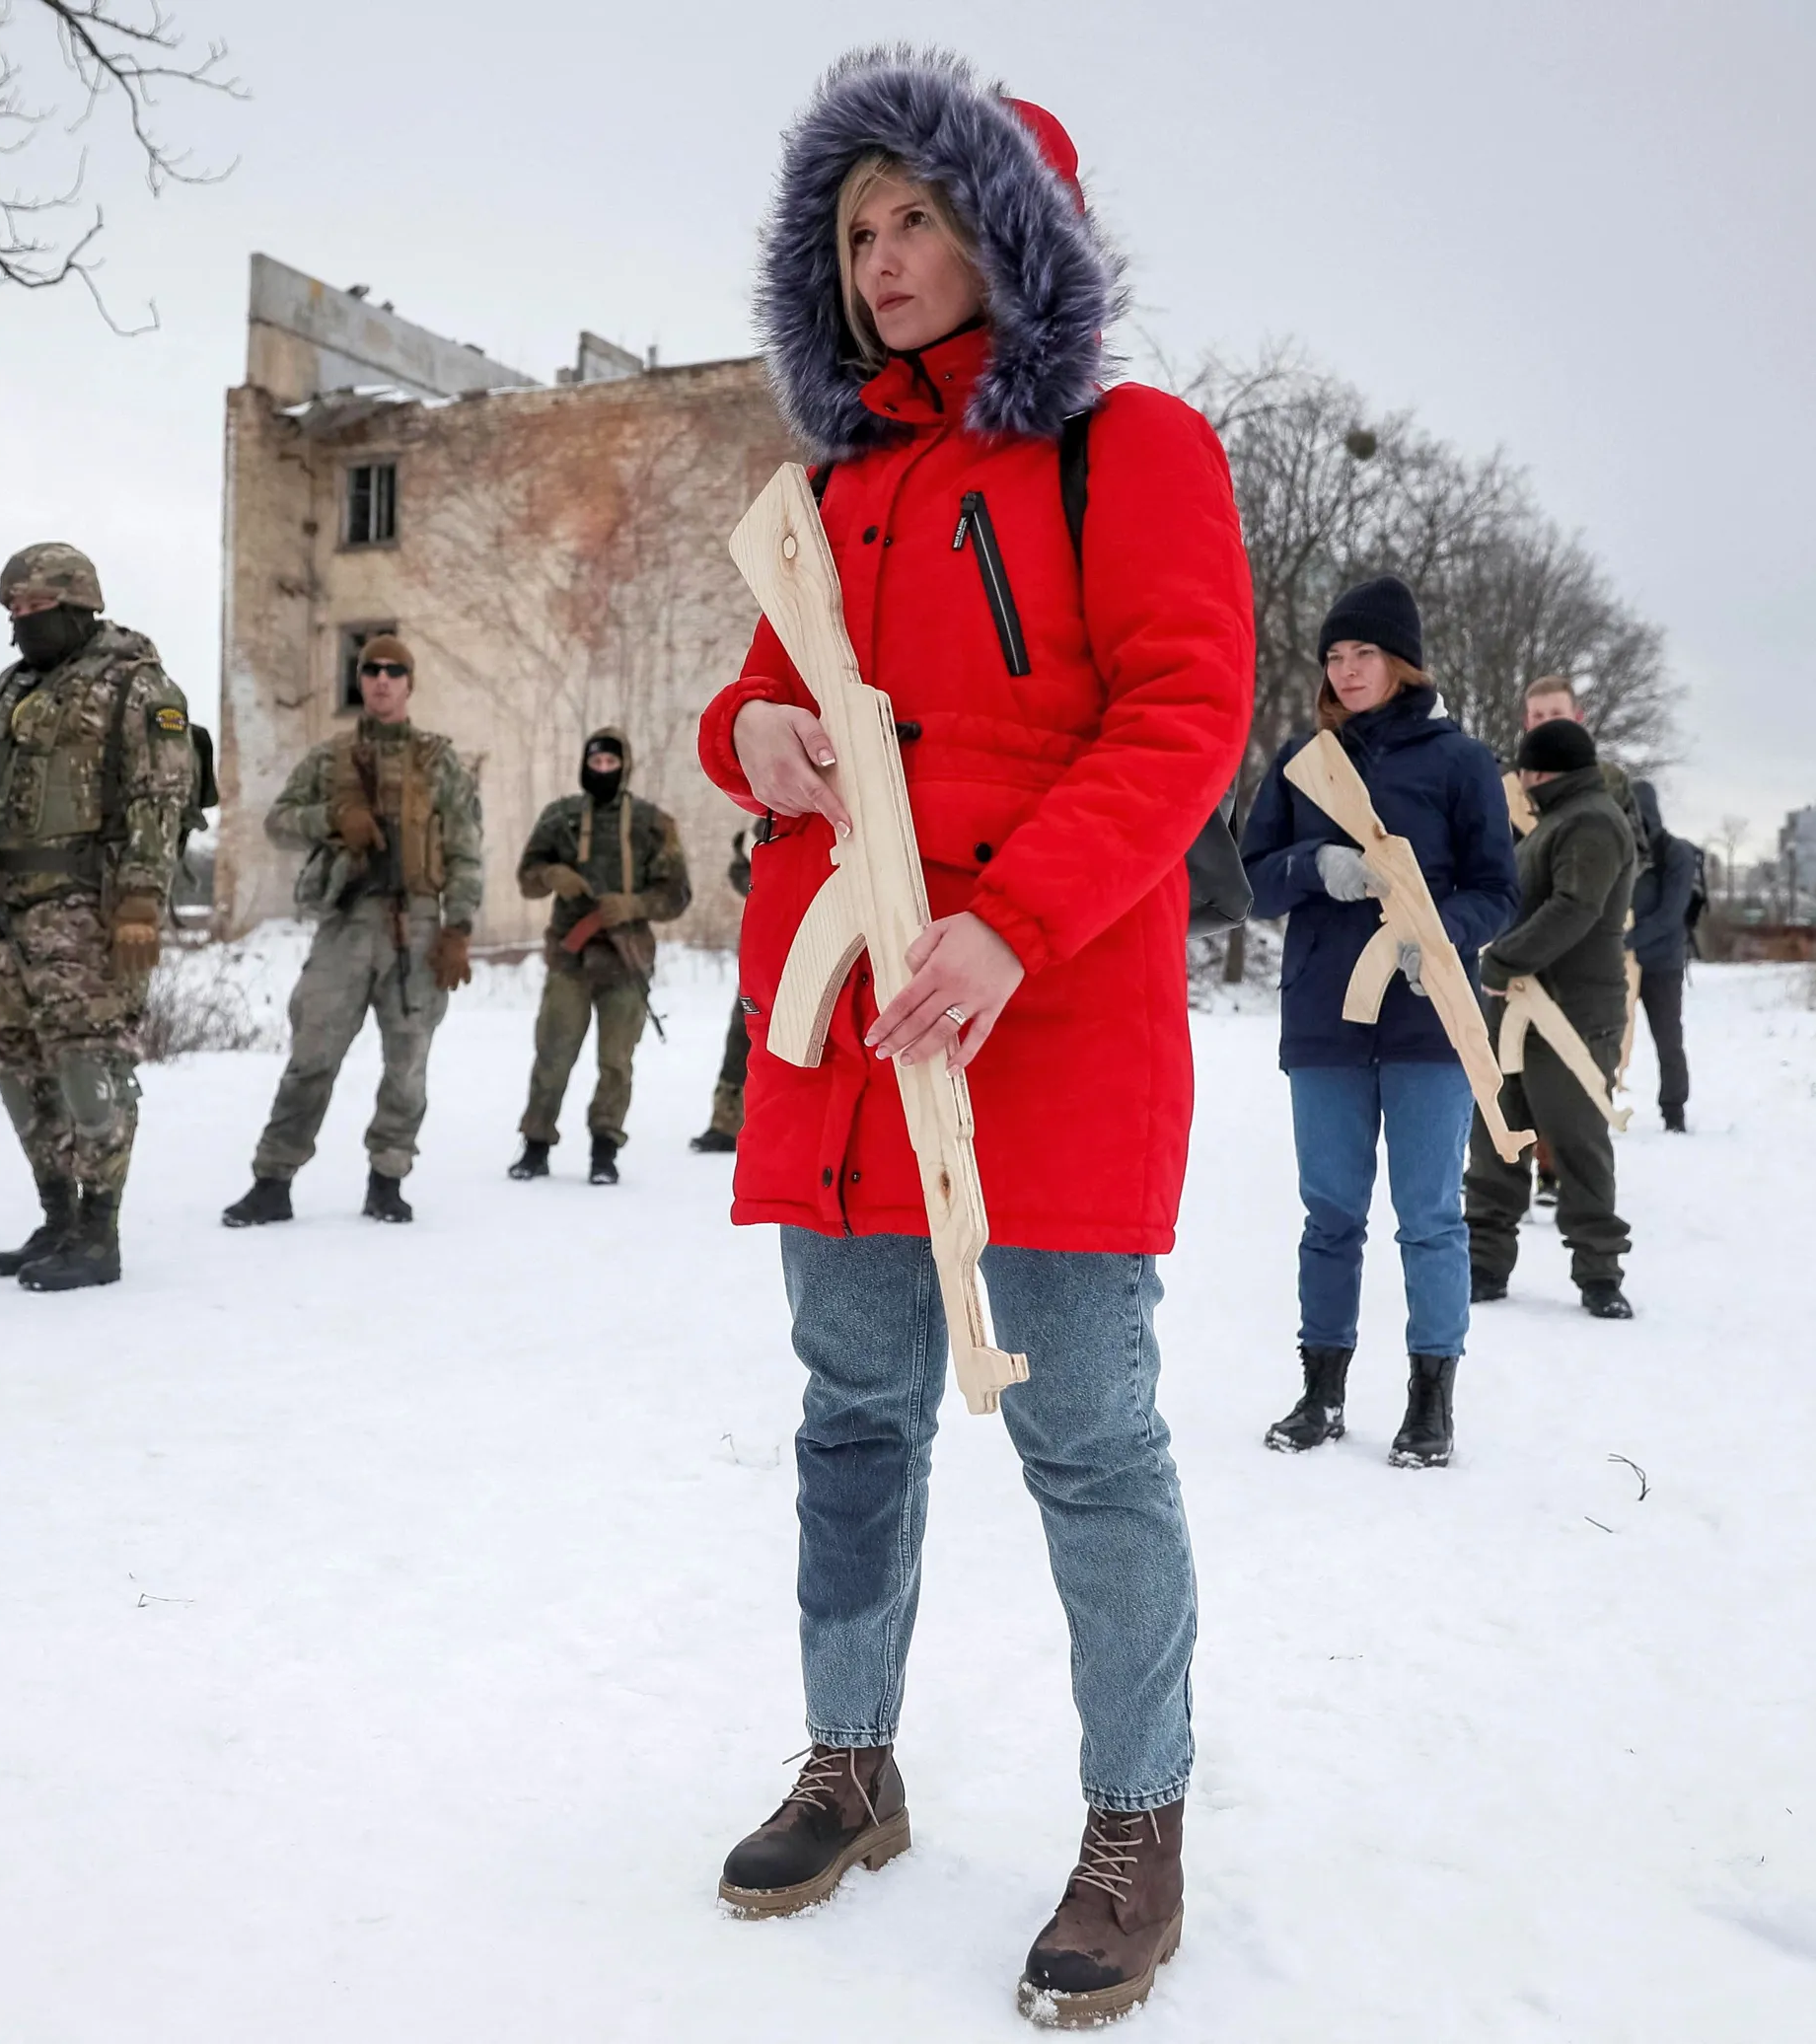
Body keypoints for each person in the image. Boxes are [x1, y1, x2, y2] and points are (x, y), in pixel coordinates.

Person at [697, 53, 1251, 2027]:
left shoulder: (1131, 450)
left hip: (1051, 1016)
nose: (882, 256)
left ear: (1013, 229)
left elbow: (1185, 715)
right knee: (852, 1412)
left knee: (1087, 1435)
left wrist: (1012, 923)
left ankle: (1135, 1821)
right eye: (855, 229)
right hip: (848, 1041)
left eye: (919, 215)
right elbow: (756, 707)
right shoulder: (829, 495)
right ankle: (851, 1762)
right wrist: (749, 738)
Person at [1240, 576, 1516, 1468]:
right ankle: (1321, 1393)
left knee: (1430, 1216)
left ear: (1403, 662)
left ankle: (1431, 1403)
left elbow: (1498, 891)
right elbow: (1249, 881)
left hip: (1431, 1020)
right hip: (1324, 1018)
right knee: (1330, 1214)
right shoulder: (1303, 761)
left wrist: (1437, 936)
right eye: (1334, 655)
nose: (1347, 670)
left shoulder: (1462, 763)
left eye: (1364, 653)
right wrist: (1314, 866)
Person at [0, 544, 198, 1291]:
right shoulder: (16, 685)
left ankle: (99, 1231)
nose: (22, 622)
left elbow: (159, 797)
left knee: (89, 1063)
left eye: (36, 607)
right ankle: (57, 1216)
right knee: (20, 1067)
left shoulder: (138, 685)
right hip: (10, 906)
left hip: (88, 907)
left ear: (79, 603)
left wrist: (141, 899)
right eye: (13, 610)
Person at [222, 634, 483, 1225]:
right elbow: (279, 822)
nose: (382, 680)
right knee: (312, 1054)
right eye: (371, 670)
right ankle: (273, 1180)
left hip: (416, 926)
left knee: (408, 1060)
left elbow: (466, 850)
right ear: (360, 681)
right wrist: (334, 817)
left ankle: (387, 1178)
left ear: (409, 684)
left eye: (394, 671)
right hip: (345, 923)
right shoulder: (330, 758)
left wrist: (459, 928)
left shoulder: (438, 762)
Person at [1465, 716, 1639, 1318]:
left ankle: (1600, 1275)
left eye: (1526, 773)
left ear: (1542, 773)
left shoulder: (1591, 822)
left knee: (1576, 1144)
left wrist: (1501, 959)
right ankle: (1484, 1265)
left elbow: (1575, 908)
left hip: (1572, 1014)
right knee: (1497, 1135)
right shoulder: (1560, 820)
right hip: (1519, 1008)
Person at [510, 727, 689, 1185]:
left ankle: (604, 1149)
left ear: (623, 767)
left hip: (625, 960)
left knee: (615, 1062)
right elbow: (527, 878)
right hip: (570, 959)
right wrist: (552, 874)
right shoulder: (561, 817)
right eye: (596, 762)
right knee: (552, 1055)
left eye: (611, 763)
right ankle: (535, 1145)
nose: (603, 770)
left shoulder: (652, 823)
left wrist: (634, 905)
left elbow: (677, 895)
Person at [1628, 779, 1703, 1132]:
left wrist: (1625, 940)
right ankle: (1598, 1107)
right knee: (1607, 1039)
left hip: (1662, 963)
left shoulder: (1676, 854)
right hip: (1622, 964)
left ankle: (1674, 1111)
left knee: (1668, 1039)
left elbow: (1671, 914)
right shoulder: (1621, 849)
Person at [690, 827, 758, 1153]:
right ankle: (726, 1123)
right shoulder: (771, 820)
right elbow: (744, 873)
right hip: (766, 951)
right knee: (742, 1035)